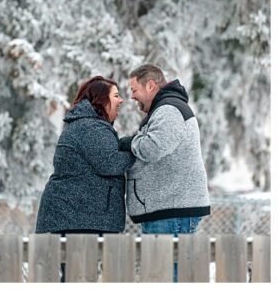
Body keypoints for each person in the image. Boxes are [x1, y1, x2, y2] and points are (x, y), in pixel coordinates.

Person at [35, 76, 135, 235]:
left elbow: (105, 154)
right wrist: (137, 150)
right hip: (77, 220)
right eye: (116, 96)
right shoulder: (91, 127)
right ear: (101, 99)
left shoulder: (87, 125)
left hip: (78, 218)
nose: (121, 100)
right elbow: (111, 163)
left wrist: (127, 143)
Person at [120, 64, 210, 235]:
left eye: (134, 90)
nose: (132, 96)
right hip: (167, 210)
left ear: (151, 85)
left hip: (171, 212)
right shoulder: (165, 109)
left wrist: (130, 142)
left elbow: (152, 148)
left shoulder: (169, 110)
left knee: (166, 262)